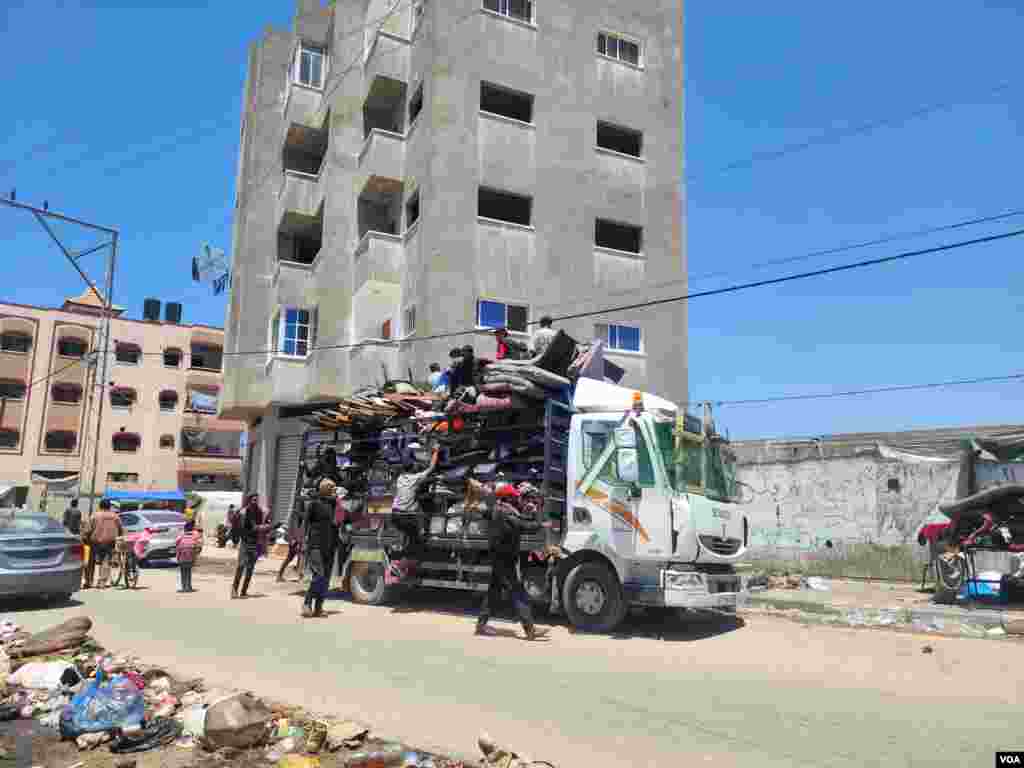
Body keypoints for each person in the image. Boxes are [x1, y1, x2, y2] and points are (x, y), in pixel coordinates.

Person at [476, 491, 544, 641]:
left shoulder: (499, 510)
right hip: (505, 559)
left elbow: (518, 519)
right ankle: (529, 629)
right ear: (510, 499)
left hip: (498, 557)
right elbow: (527, 526)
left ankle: (481, 625)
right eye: (517, 497)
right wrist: (537, 515)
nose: (519, 500)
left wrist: (530, 512)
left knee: (493, 591)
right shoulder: (506, 513)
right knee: (517, 591)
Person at [390, 446, 441, 568]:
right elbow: (431, 468)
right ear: (413, 467)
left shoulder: (399, 478)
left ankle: (400, 555)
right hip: (406, 517)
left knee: (407, 532)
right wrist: (436, 451)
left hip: (395, 515)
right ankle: (405, 561)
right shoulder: (415, 478)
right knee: (416, 539)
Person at [302, 478, 338, 618]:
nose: (335, 491)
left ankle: (318, 607)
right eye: (333, 489)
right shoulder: (314, 504)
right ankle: (307, 603)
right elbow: (305, 524)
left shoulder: (334, 504)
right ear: (326, 490)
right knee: (319, 576)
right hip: (315, 545)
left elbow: (340, 520)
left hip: (329, 546)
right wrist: (303, 542)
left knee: (325, 579)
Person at [231, 494, 270, 599]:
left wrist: (267, 527)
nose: (254, 502)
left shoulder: (260, 512)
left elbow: (263, 525)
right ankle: (234, 589)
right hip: (245, 542)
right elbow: (252, 527)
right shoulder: (243, 512)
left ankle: (244, 591)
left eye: (256, 500)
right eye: (253, 500)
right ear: (248, 501)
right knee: (241, 566)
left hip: (255, 543)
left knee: (250, 568)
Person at [83, 499, 123, 590]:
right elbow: (120, 529)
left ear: (100, 506)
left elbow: (88, 529)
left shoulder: (95, 515)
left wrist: (84, 537)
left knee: (90, 561)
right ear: (109, 507)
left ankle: (89, 581)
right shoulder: (115, 516)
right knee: (106, 561)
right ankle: (102, 583)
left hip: (95, 542)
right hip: (110, 542)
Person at [276, 501, 305, 583]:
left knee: (294, 558)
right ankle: (299, 576)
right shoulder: (295, 516)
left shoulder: (297, 516)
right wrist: (293, 539)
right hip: (295, 540)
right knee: (298, 557)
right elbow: (292, 528)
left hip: (296, 540)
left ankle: (280, 575)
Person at [176, 519, 201, 593]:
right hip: (190, 557)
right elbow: (197, 546)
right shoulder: (195, 535)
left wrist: (177, 556)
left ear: (185, 528)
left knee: (183, 572)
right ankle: (189, 587)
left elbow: (177, 544)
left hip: (182, 556)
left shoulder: (181, 535)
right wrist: (195, 557)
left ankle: (184, 587)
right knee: (188, 571)